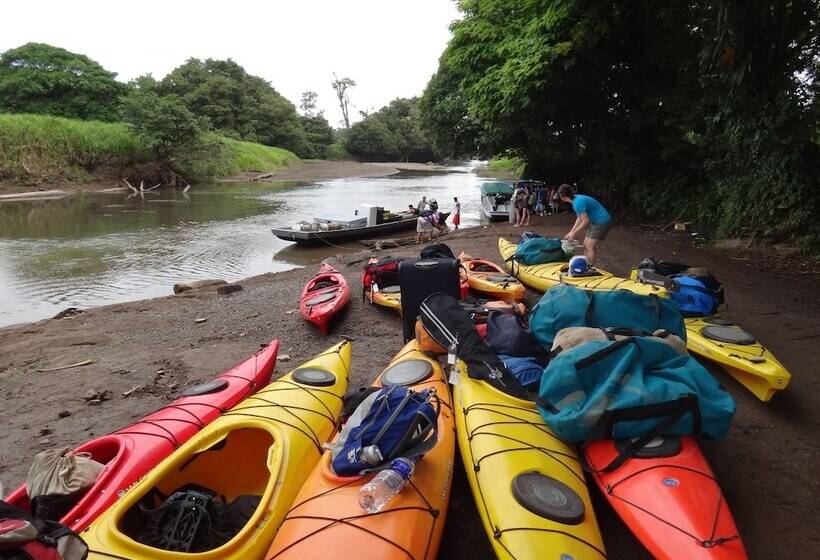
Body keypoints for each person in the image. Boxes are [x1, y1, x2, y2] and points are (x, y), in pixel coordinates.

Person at [558, 183, 612, 266]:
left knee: (590, 246)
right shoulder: (575, 200)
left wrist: (574, 233)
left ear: (562, 196)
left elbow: (585, 221)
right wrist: (571, 231)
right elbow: (579, 218)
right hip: (594, 221)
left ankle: (590, 267)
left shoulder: (577, 203)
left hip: (602, 221)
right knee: (585, 245)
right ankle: (586, 265)